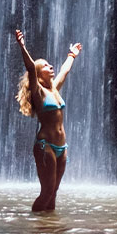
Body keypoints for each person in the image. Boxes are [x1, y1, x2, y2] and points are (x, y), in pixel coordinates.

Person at [13, 28, 82, 212]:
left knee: (54, 192)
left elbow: (64, 71)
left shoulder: (54, 90)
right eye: (45, 66)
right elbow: (30, 68)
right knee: (47, 191)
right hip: (46, 146)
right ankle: (35, 227)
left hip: (62, 147)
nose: (50, 67)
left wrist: (72, 55)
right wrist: (22, 46)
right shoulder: (39, 92)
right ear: (38, 74)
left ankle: (49, 230)